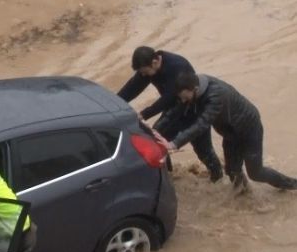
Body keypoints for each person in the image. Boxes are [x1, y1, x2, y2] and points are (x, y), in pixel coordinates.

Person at [157, 72, 297, 190]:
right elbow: (175, 110)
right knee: (232, 171)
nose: (183, 100)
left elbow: (202, 124)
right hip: (231, 132)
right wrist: (155, 130)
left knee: (256, 172)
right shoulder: (194, 90)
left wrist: (174, 143)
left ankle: (292, 185)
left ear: (195, 89)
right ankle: (244, 196)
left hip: (249, 129)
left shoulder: (216, 96)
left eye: (185, 97)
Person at [118, 46, 223, 182]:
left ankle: (218, 178)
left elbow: (170, 97)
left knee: (203, 150)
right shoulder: (149, 67)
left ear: (155, 62)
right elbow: (132, 87)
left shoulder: (177, 67)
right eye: (141, 73)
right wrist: (114, 102)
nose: (143, 75)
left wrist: (144, 114)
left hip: (194, 110)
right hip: (173, 111)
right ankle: (168, 177)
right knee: (157, 141)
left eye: (144, 72)